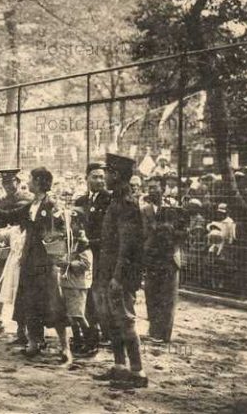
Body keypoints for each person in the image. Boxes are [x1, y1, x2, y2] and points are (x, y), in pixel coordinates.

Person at [0, 167, 71, 363]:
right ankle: (33, 343)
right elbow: (8, 217)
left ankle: (65, 347)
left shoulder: (52, 205)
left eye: (31, 179)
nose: (28, 182)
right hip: (28, 262)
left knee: (54, 304)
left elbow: (61, 232)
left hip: (46, 264)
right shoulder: (31, 205)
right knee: (29, 303)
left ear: (40, 182)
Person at [93, 153, 147, 388]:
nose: (103, 177)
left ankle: (138, 372)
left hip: (120, 273)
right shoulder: (116, 199)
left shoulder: (125, 203)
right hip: (109, 270)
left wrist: (117, 276)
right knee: (112, 320)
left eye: (106, 172)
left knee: (125, 320)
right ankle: (120, 367)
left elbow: (127, 244)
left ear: (115, 174)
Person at [0, 168, 33, 340]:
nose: (7, 185)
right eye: (4, 182)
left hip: (20, 248)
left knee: (21, 287)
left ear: (18, 182)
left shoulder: (28, 199)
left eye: (10, 182)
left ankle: (22, 326)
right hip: (1, 248)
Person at [73, 162, 111, 355]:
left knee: (96, 296)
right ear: (87, 178)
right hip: (83, 254)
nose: (99, 181)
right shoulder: (80, 201)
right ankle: (85, 335)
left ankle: (95, 338)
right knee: (83, 295)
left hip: (100, 255)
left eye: (102, 177)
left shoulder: (109, 200)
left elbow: (109, 233)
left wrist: (90, 241)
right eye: (95, 177)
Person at [141, 175, 185, 344]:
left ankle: (164, 334)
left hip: (169, 257)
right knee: (151, 295)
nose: (151, 190)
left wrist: (171, 233)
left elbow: (182, 232)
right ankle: (154, 330)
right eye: (149, 187)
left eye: (155, 187)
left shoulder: (174, 207)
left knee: (168, 296)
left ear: (163, 188)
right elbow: (143, 233)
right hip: (152, 257)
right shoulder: (144, 210)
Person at [58, 207, 94, 356]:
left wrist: (68, 264)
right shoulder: (69, 239)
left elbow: (86, 263)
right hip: (68, 282)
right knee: (71, 315)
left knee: (78, 315)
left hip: (77, 283)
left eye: (72, 223)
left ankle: (90, 342)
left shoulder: (82, 242)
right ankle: (78, 340)